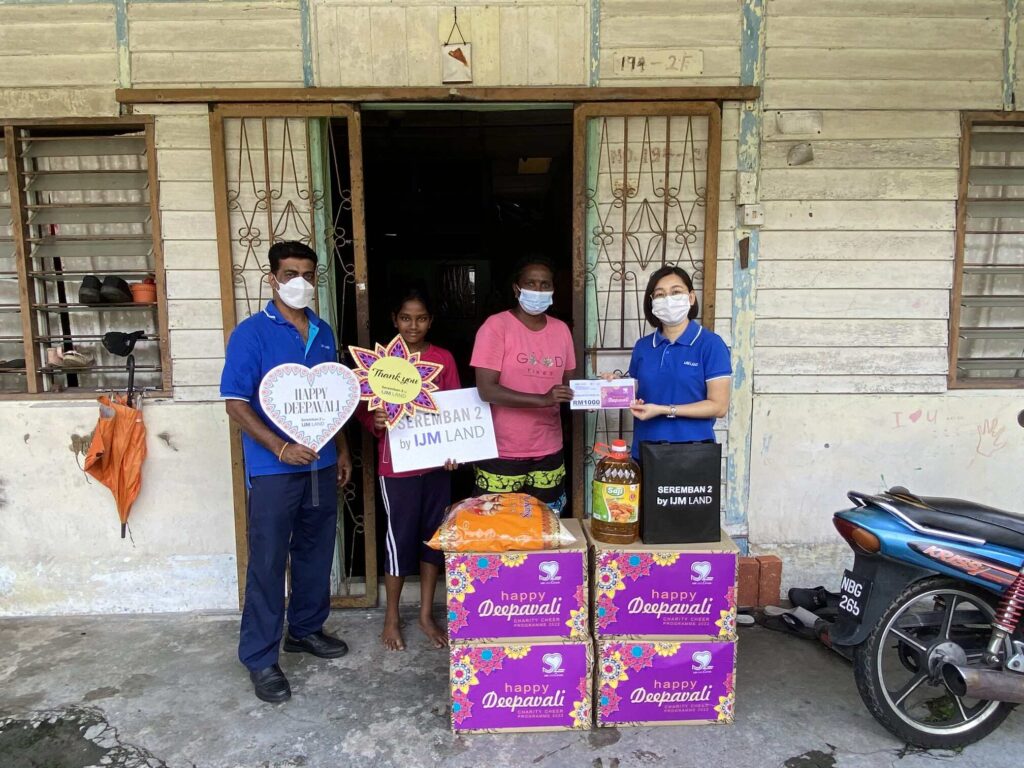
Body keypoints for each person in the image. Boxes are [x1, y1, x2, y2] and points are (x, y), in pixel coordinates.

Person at [220, 241, 353, 704]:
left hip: (321, 463)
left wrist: (342, 450)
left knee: (316, 551)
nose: (299, 281)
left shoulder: (323, 330)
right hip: (274, 469)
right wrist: (279, 447)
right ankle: (260, 657)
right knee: (269, 559)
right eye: (289, 272)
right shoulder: (251, 333)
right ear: (272, 277)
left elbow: (333, 399)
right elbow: (235, 402)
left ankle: (306, 630)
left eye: (307, 273)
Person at [356, 287, 460, 652]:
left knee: (433, 539)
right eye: (405, 318)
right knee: (398, 541)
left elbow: (454, 411)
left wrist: (455, 450)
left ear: (430, 320)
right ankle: (392, 618)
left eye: (420, 318)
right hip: (396, 467)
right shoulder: (380, 365)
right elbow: (364, 412)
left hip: (435, 468)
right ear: (394, 320)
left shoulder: (443, 359)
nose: (413, 325)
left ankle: (427, 615)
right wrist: (377, 423)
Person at [470, 257, 576, 513]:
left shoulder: (562, 330)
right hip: (502, 450)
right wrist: (543, 399)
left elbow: (571, 385)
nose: (538, 290)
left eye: (544, 285)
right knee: (497, 530)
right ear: (517, 289)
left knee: (545, 525)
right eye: (531, 283)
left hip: (549, 448)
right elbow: (487, 389)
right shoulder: (496, 327)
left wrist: (604, 390)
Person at [624, 265, 732, 459]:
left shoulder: (710, 345)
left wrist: (665, 410)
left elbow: (719, 406)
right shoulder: (643, 347)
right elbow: (632, 395)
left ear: (691, 298)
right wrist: (611, 385)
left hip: (693, 454)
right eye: (659, 294)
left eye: (676, 292)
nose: (667, 300)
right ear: (651, 302)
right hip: (646, 452)